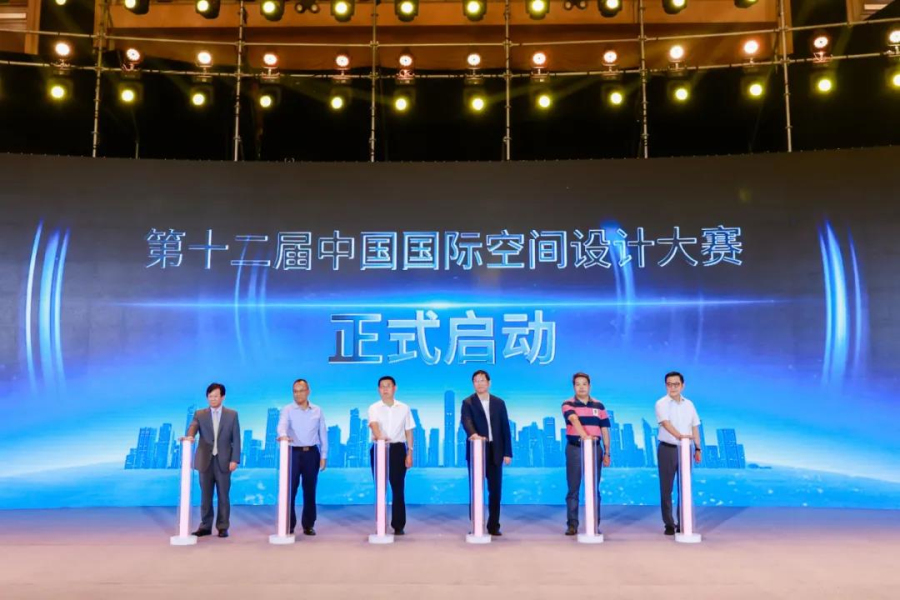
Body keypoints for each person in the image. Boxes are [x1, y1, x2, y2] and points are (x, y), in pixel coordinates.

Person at [460, 369, 512, 537]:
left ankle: (493, 525)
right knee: (475, 490)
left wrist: (507, 452)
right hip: (477, 449)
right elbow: (466, 421)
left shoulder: (499, 402)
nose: (479, 383)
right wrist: (473, 435)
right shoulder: (468, 402)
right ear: (473, 384)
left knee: (495, 491)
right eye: (476, 380)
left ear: (489, 383)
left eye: (482, 380)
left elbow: (505, 428)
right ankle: (476, 524)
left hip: (495, 450)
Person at [185, 382, 241, 539]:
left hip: (224, 461)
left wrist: (235, 459)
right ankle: (205, 526)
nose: (213, 399)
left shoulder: (232, 414)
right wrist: (190, 436)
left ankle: (223, 527)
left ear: (222, 397)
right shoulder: (200, 414)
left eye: (216, 396)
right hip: (205, 461)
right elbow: (193, 426)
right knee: (205, 496)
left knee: (223, 496)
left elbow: (236, 438)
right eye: (210, 396)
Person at [561, 372, 611, 536]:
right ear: (574, 387)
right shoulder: (568, 403)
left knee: (594, 488)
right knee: (573, 488)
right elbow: (574, 420)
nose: (581, 387)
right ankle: (572, 525)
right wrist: (585, 436)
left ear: (589, 386)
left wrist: (607, 452)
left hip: (595, 449)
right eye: (578, 384)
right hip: (575, 448)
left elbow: (605, 429)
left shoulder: (599, 405)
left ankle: (594, 524)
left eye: (584, 384)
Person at [277, 378, 327, 536]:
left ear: (308, 392)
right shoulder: (287, 409)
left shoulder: (317, 410)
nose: (298, 394)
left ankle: (308, 524)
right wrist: (283, 435)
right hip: (292, 453)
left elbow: (323, 433)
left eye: (301, 391)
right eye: (295, 391)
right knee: (290, 490)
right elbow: (282, 425)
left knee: (310, 490)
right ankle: (288, 524)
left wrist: (324, 455)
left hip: (312, 453)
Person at [655, 371, 702, 536]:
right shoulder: (661, 403)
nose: (673, 387)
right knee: (666, 488)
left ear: (683, 385)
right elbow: (666, 424)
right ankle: (669, 523)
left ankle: (683, 522)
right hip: (668, 449)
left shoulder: (689, 404)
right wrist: (680, 436)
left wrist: (698, 448)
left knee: (684, 487)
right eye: (669, 384)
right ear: (665, 385)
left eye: (676, 384)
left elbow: (695, 426)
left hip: (686, 450)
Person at [367, 376, 415, 535]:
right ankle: (380, 524)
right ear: (378, 390)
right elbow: (373, 424)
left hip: (398, 449)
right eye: (382, 386)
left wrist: (410, 452)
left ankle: (398, 525)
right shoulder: (373, 407)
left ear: (395, 388)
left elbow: (409, 431)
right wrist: (380, 436)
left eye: (388, 386)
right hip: (379, 448)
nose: (385, 389)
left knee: (398, 488)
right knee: (380, 488)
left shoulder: (404, 408)